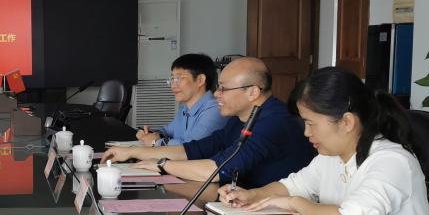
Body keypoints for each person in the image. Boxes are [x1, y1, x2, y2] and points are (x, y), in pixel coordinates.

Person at [218, 67, 429, 215]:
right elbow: (292, 186)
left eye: (311, 123)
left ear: (347, 122)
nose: (306, 132)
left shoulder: (391, 161)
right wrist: (252, 195)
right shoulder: (330, 156)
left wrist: (295, 204)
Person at [101, 57, 314, 186]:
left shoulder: (273, 122)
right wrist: (133, 152)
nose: (217, 94)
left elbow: (220, 169)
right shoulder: (240, 117)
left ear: (252, 92)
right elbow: (196, 149)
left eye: (224, 88)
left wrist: (162, 165)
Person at [136, 53, 227, 146]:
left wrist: (155, 142)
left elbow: (191, 147)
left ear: (200, 80)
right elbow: (167, 131)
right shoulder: (185, 108)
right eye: (172, 78)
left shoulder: (216, 110)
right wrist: (149, 134)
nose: (173, 85)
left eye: (179, 78)